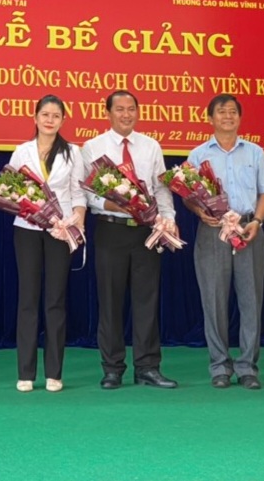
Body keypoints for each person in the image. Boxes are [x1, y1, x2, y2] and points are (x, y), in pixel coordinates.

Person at [81, 90, 179, 390]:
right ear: (108, 113)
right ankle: (112, 369)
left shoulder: (151, 146)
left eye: (131, 109)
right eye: (120, 109)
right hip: (110, 229)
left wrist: (168, 219)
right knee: (110, 302)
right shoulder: (92, 147)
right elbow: (86, 192)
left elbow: (161, 189)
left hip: (146, 232)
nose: (126, 114)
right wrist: (113, 204)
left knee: (147, 301)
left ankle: (148, 367)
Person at [187, 94, 264, 390]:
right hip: (213, 232)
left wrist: (257, 221)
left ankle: (248, 367)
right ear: (210, 118)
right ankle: (220, 366)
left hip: (249, 230)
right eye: (221, 112)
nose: (227, 116)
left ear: (240, 117)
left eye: (233, 111)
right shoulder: (198, 155)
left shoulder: (255, 152)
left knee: (251, 301)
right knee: (213, 301)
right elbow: (188, 195)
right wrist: (198, 211)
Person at [8, 95, 85, 393]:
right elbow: (10, 190)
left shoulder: (73, 152)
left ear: (63, 120)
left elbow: (78, 193)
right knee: (28, 300)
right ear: (35, 117)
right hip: (26, 230)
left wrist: (77, 221)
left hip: (59, 231)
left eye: (56, 115)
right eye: (45, 114)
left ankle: (54, 372)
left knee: (55, 300)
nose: (50, 120)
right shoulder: (22, 151)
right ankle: (25, 372)